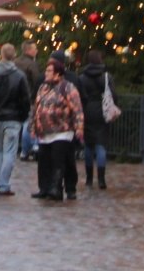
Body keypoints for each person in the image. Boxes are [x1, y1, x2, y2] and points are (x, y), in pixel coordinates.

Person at [29, 55, 83, 202]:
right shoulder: (43, 87)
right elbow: (37, 108)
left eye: (49, 71)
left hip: (62, 130)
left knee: (58, 161)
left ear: (58, 73)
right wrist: (33, 127)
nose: (45, 73)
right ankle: (44, 188)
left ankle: (57, 188)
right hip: (44, 132)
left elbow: (77, 109)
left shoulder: (68, 87)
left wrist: (79, 127)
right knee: (44, 161)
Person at [0, 41, 31, 197]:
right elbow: (25, 99)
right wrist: (22, 115)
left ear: (1, 55)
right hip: (13, 118)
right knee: (9, 152)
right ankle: (3, 184)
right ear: (14, 56)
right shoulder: (19, 76)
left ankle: (1, 182)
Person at [77, 48, 115, 190]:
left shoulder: (82, 77)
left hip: (87, 111)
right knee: (101, 145)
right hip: (102, 111)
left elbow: (79, 96)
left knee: (88, 146)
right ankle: (101, 179)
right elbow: (113, 95)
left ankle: (88, 179)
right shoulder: (106, 77)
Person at [56, 50, 86, 199]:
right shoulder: (74, 78)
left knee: (65, 157)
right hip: (64, 125)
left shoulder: (71, 81)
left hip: (67, 125)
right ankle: (66, 187)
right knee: (67, 158)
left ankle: (66, 187)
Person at [14, 40, 40, 159]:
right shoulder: (32, 64)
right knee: (28, 124)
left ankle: (22, 149)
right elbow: (36, 81)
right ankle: (26, 150)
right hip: (28, 97)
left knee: (20, 125)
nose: (37, 51)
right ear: (28, 50)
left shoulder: (15, 62)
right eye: (35, 48)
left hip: (15, 98)